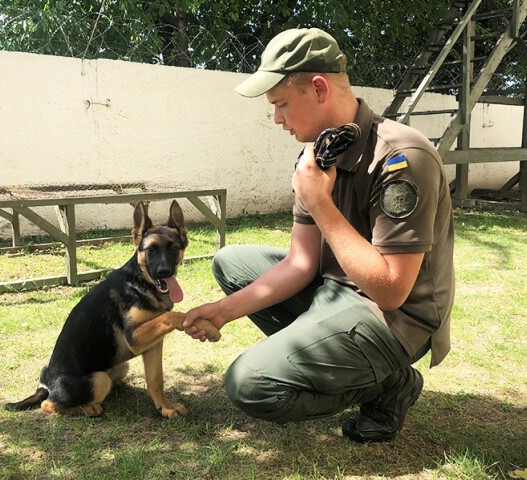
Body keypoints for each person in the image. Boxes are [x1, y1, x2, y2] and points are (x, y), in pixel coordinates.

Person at [183, 27, 455, 443]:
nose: (276, 119)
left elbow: (391, 291)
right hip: (337, 290)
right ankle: (324, 345)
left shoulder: (403, 158)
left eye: (281, 105)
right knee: (231, 261)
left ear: (319, 88)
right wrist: (223, 311)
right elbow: (301, 262)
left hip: (395, 319)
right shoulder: (318, 153)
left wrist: (319, 202)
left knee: (250, 384)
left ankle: (389, 385)